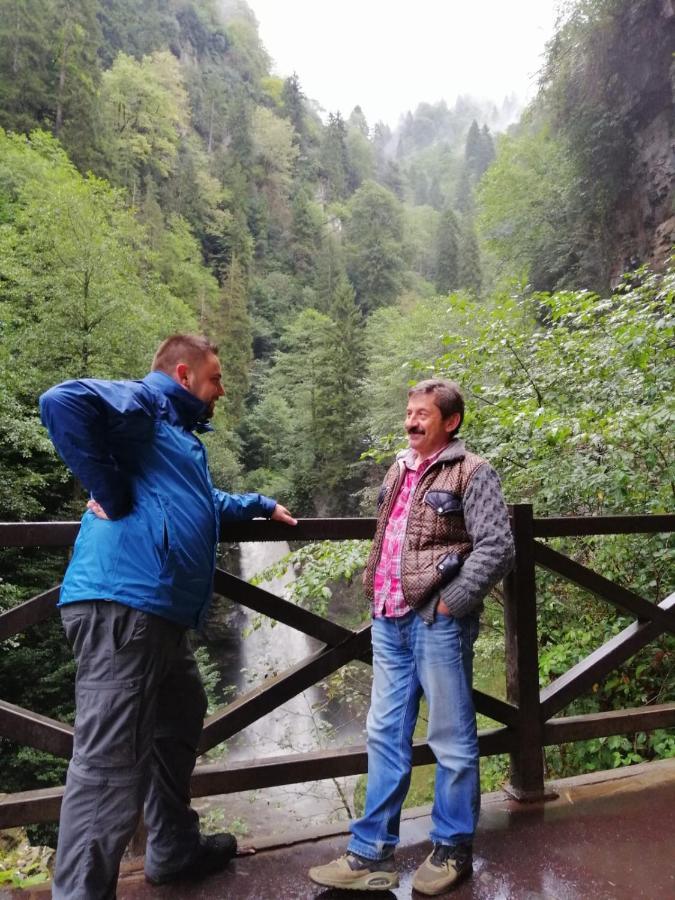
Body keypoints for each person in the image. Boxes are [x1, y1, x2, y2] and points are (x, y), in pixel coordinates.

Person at [39, 334, 296, 900]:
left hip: (155, 613)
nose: (221, 391)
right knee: (108, 763)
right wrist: (107, 489)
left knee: (181, 714)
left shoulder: (173, 436)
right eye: (216, 379)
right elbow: (60, 401)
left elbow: (200, 501)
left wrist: (254, 504)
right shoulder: (145, 403)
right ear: (183, 375)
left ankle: (173, 847)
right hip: (123, 605)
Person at [308, 378, 514, 895]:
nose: (412, 420)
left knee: (449, 736)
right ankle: (370, 853)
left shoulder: (474, 471)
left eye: (423, 413)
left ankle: (451, 849)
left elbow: (498, 547)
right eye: (409, 412)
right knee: (383, 735)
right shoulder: (399, 467)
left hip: (435, 620)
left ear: (451, 421)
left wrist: (453, 601)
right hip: (387, 619)